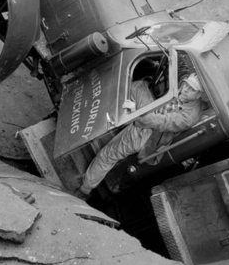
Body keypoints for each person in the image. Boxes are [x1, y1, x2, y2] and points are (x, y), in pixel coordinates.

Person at [77, 72, 205, 199]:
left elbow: (161, 122)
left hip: (148, 135)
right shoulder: (185, 92)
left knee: (108, 155)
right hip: (150, 116)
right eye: (186, 85)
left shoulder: (189, 117)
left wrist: (137, 112)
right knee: (139, 86)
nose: (185, 89)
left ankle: (85, 188)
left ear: (199, 94)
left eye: (192, 89)